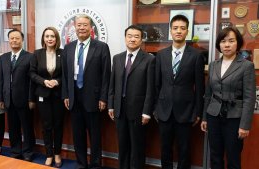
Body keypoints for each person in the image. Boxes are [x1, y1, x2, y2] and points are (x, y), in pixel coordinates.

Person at [153, 14, 205, 169]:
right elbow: (157, 84)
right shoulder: (161, 55)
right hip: (164, 111)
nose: (178, 31)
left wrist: (198, 112)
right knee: (165, 149)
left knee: (184, 149)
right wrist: (155, 109)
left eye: (182, 28)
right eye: (175, 28)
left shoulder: (196, 56)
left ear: (187, 31)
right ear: (170, 31)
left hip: (186, 111)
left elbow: (200, 87)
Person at [201, 27, 256, 169]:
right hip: (214, 116)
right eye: (223, 41)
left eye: (231, 41)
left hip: (234, 118)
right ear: (219, 44)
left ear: (238, 43)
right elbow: (208, 94)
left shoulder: (246, 66)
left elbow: (249, 98)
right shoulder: (213, 65)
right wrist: (205, 118)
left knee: (233, 158)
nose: (226, 45)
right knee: (215, 156)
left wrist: (245, 125)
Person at [61, 14, 111, 169]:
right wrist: (66, 94)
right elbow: (65, 74)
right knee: (78, 133)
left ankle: (95, 164)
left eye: (85, 25)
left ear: (91, 28)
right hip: (74, 95)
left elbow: (106, 75)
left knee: (95, 134)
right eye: (79, 25)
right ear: (74, 27)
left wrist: (103, 98)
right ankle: (81, 163)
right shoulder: (68, 47)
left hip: (94, 97)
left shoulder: (101, 47)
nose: (81, 28)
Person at [108, 25, 155, 169]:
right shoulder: (117, 58)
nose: (132, 39)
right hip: (119, 110)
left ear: (141, 40)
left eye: (136, 37)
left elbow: (151, 88)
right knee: (122, 146)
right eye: (129, 36)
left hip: (138, 111)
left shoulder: (149, 59)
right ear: (125, 38)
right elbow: (112, 84)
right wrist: (111, 105)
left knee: (137, 147)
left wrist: (147, 111)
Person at [0, 29, 36, 161]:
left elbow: (32, 81)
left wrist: (31, 99)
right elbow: (1, 80)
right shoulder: (3, 58)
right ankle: (16, 151)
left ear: (22, 40)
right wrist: (0, 98)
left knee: (27, 128)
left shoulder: (30, 57)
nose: (14, 40)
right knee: (13, 128)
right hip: (8, 99)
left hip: (24, 99)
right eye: (11, 38)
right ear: (8, 40)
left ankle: (28, 152)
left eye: (17, 38)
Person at [30, 27, 65, 167]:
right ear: (43, 38)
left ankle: (57, 154)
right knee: (47, 126)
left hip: (58, 95)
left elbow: (67, 74)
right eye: (47, 36)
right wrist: (43, 81)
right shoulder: (37, 54)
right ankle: (49, 154)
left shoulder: (63, 53)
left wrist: (57, 81)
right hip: (42, 95)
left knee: (58, 125)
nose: (50, 38)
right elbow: (32, 73)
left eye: (52, 36)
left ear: (56, 38)